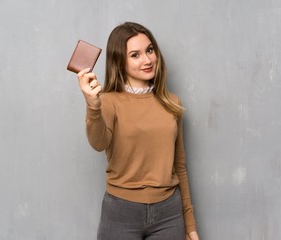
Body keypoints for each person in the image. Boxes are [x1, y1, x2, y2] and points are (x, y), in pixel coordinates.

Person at [76, 22, 200, 240]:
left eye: (149, 50)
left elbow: (179, 165)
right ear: (119, 62)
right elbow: (98, 143)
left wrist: (190, 225)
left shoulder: (172, 102)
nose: (147, 60)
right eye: (135, 55)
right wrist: (93, 106)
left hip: (168, 214)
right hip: (120, 212)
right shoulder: (108, 101)